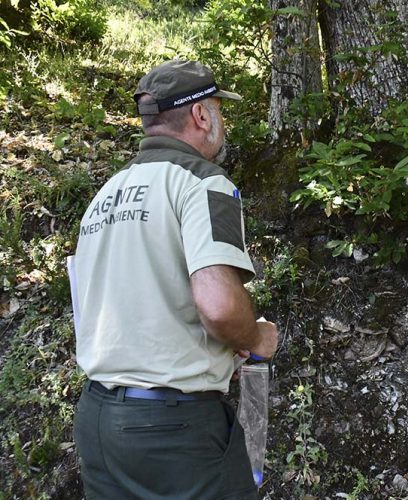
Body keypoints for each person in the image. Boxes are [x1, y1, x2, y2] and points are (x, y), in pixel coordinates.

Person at [69, 60, 278, 499]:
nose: (222, 121)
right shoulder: (202, 182)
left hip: (98, 421)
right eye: (220, 109)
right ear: (202, 115)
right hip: (174, 431)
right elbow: (219, 307)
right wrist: (254, 337)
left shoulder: (106, 195)